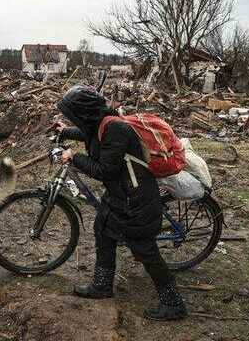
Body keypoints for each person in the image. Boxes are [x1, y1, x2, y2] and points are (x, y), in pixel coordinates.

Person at [55, 84, 186, 321]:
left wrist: (74, 157)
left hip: (136, 201)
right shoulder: (102, 122)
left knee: (145, 251)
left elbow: (105, 170)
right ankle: (102, 286)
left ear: (84, 113)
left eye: (73, 115)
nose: (72, 118)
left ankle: (174, 303)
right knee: (103, 230)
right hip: (121, 196)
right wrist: (66, 131)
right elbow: (90, 134)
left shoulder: (115, 129)